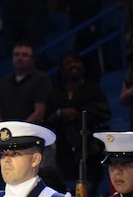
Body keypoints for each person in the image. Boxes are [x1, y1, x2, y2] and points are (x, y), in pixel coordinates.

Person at [45, 51, 110, 187]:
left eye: (76, 61)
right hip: (65, 149)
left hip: (90, 148)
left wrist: (78, 113)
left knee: (92, 184)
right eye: (68, 63)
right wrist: (59, 113)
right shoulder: (56, 93)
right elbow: (47, 119)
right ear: (62, 69)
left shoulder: (93, 89)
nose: (73, 65)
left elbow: (105, 113)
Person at [0, 41, 51, 126]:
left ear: (33, 59)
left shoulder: (41, 80)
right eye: (16, 55)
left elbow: (39, 112)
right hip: (6, 134)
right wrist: (3, 129)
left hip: (31, 133)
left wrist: (20, 130)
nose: (19, 58)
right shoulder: (3, 82)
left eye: (25, 55)